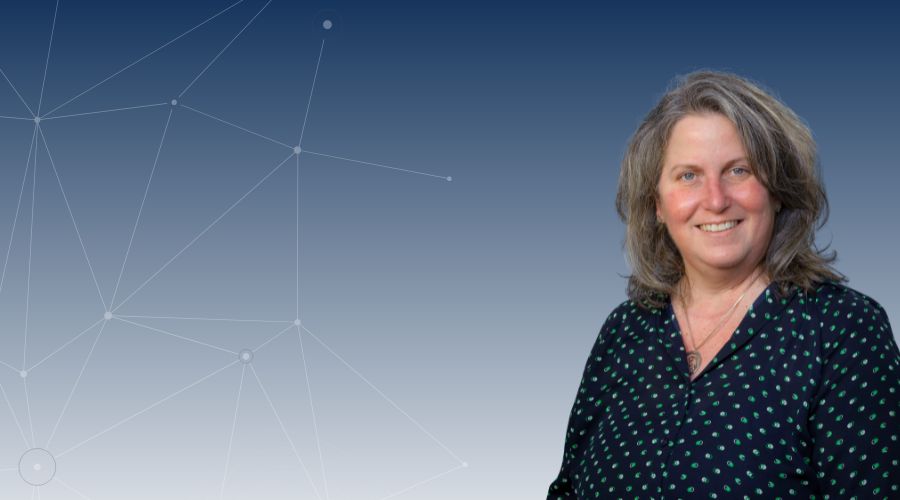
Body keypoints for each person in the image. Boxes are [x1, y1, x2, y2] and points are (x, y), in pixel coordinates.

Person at [547, 70, 900, 498]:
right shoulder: (624, 332)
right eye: (688, 176)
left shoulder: (842, 330)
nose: (715, 200)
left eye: (738, 170)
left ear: (778, 189)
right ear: (657, 203)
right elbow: (567, 490)